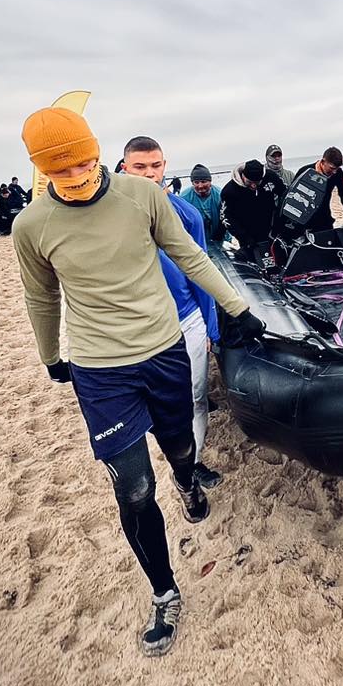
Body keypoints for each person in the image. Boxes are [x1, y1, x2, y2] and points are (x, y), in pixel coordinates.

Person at [12, 108, 265, 658]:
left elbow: (189, 254)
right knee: (132, 488)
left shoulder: (141, 196)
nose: (76, 175)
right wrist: (51, 354)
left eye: (82, 161)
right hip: (100, 370)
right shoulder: (30, 226)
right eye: (61, 169)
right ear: (40, 170)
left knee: (178, 447)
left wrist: (235, 308)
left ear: (97, 150)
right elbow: (40, 296)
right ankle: (164, 591)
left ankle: (187, 477)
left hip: (163, 349)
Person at [124, 137, 224, 490]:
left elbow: (200, 268)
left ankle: (191, 466)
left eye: (155, 166)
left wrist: (212, 327)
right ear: (124, 169)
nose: (149, 174)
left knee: (195, 396)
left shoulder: (188, 214)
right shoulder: (112, 217)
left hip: (187, 318)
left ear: (165, 167)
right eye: (139, 167)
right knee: (154, 406)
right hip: (142, 328)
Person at [276, 146, 343, 239]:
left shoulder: (338, 173)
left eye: (337, 168)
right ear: (323, 161)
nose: (334, 172)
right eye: (332, 168)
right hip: (305, 220)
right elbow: (290, 196)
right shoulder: (305, 171)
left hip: (324, 219)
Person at [221, 159, 286, 263]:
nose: (253, 186)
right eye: (249, 182)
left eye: (257, 182)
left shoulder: (270, 177)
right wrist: (244, 237)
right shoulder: (229, 191)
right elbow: (227, 218)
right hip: (247, 235)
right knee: (255, 262)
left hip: (271, 230)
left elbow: (285, 194)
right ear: (243, 176)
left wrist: (281, 220)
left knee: (278, 262)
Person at [180, 165, 224, 246]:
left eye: (203, 181)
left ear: (210, 181)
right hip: (194, 239)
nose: (200, 186)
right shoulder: (184, 197)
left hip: (218, 237)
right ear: (192, 183)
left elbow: (227, 218)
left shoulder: (220, 194)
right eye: (196, 182)